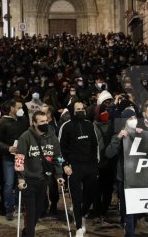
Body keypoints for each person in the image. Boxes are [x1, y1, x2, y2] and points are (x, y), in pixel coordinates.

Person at [16, 111, 65, 237]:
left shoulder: (52, 136)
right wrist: (20, 178)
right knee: (31, 213)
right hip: (28, 180)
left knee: (38, 212)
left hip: (43, 179)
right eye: (42, 121)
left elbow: (58, 157)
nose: (45, 123)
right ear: (34, 123)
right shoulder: (25, 137)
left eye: (46, 120)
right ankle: (29, 234)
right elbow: (19, 159)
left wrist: (59, 175)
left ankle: (27, 231)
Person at [59, 101, 100, 237]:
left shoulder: (89, 125)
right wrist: (64, 164)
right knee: (76, 199)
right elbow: (60, 150)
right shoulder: (66, 126)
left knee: (90, 196)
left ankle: (82, 214)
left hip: (90, 166)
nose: (81, 111)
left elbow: (95, 145)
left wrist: (96, 163)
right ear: (72, 111)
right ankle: (78, 227)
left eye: (83, 108)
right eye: (78, 109)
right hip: (74, 167)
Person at [105, 107, 142, 237]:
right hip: (124, 178)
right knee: (128, 209)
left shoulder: (140, 133)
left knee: (136, 209)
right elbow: (109, 153)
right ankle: (129, 233)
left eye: (134, 118)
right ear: (125, 121)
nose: (133, 120)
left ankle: (131, 228)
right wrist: (119, 137)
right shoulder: (118, 135)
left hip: (138, 177)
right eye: (130, 118)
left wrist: (144, 135)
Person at [0, 99, 29, 221]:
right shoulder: (3, 122)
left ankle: (19, 204)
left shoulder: (24, 119)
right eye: (19, 107)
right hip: (8, 157)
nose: (21, 110)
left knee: (20, 182)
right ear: (12, 108)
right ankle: (9, 209)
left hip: (21, 157)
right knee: (9, 183)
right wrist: (8, 148)